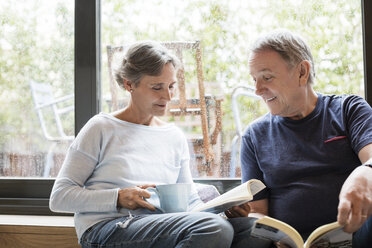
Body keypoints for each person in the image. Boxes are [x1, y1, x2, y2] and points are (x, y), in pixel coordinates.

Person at [49, 41, 254, 248]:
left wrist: (223, 211)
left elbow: (189, 199)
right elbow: (59, 197)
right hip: (108, 228)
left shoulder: (174, 136)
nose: (167, 96)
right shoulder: (101, 128)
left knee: (254, 231)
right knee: (214, 228)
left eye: (171, 86)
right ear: (129, 84)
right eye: (157, 87)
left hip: (160, 225)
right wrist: (118, 197)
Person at [225, 30, 372, 248]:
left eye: (267, 77)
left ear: (302, 72)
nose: (257, 90)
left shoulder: (349, 110)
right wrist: (260, 228)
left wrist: (365, 172)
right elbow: (258, 212)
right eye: (254, 79)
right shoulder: (254, 136)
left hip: (356, 237)